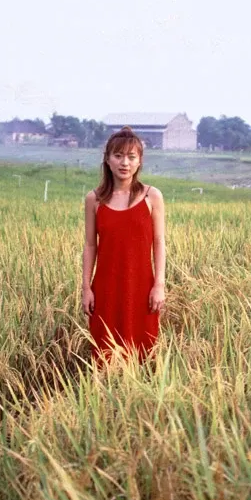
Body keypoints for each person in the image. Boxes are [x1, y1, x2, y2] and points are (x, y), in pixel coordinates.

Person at [82, 126, 166, 365]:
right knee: (104, 356)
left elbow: (159, 242)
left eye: (131, 156)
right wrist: (86, 288)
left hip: (142, 289)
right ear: (107, 160)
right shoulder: (94, 199)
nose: (125, 163)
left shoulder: (152, 196)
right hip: (106, 289)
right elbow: (90, 245)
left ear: (140, 161)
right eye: (118, 156)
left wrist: (159, 285)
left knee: (144, 354)